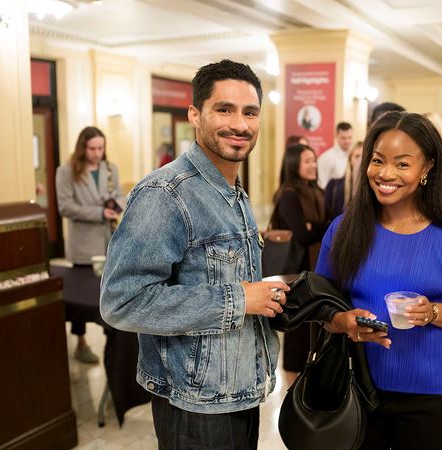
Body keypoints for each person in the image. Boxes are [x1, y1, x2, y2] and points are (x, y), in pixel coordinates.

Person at [100, 59, 290, 449]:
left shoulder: (232, 192)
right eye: (224, 109)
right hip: (194, 405)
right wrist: (239, 299)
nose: (240, 124)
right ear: (195, 115)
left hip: (238, 393)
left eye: (250, 112)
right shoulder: (165, 193)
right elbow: (122, 300)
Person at [316, 111, 442, 450]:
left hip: (430, 392)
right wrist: (342, 321)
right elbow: (320, 305)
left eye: (402, 164)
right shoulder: (344, 229)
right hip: (358, 386)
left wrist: (433, 313)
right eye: (378, 161)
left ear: (427, 169)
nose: (385, 174)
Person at [56, 126, 124, 364]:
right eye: (92, 148)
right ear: (82, 148)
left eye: (101, 148)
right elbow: (65, 207)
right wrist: (98, 212)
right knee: (81, 293)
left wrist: (116, 204)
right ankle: (81, 341)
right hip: (84, 244)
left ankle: (110, 336)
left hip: (108, 241)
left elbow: (120, 195)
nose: (97, 153)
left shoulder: (110, 169)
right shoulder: (67, 171)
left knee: (106, 291)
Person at [270, 143, 328, 385]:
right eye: (307, 161)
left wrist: (314, 226)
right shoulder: (289, 194)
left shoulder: (317, 192)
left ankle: (307, 390)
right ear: (294, 165)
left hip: (313, 271)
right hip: (294, 273)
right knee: (297, 335)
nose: (313, 165)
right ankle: (291, 393)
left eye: (314, 160)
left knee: (311, 334)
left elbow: (329, 223)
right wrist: (319, 227)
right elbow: (303, 237)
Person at [324, 140, 363, 219]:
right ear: (350, 159)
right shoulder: (333, 186)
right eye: (357, 156)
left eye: (364, 157)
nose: (360, 161)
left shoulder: (374, 187)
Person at [316, 121, 354, 189]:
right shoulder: (327, 157)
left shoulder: (353, 155)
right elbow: (321, 185)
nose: (347, 141)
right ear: (336, 136)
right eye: (343, 138)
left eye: (349, 137)